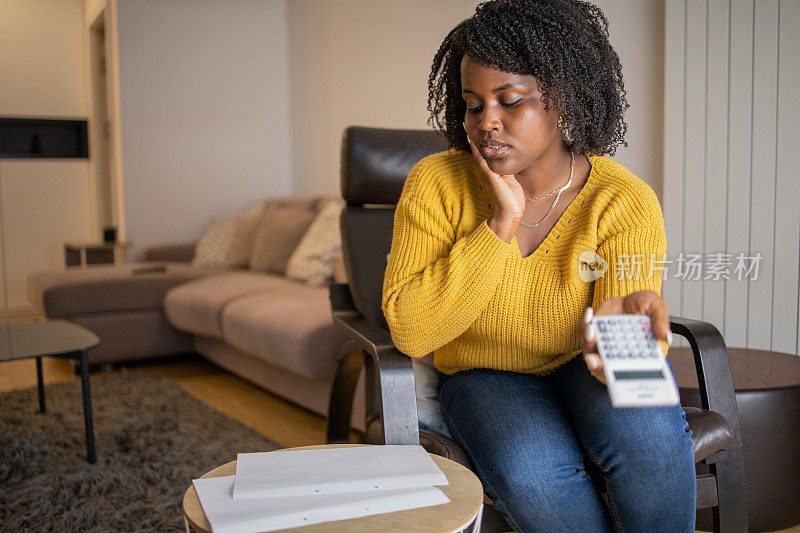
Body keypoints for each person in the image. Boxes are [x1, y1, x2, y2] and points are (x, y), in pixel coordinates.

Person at [381, 1, 696, 531]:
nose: (487, 124)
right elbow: (412, 331)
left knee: (649, 439)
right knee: (532, 470)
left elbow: (624, 343)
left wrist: (625, 338)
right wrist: (501, 224)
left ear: (562, 100)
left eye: (510, 102)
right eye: (472, 105)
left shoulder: (621, 200)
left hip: (581, 363)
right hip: (485, 375)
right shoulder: (436, 183)